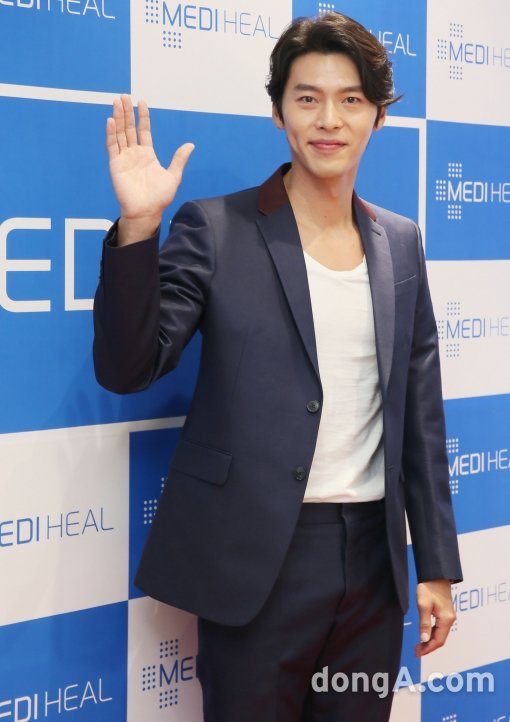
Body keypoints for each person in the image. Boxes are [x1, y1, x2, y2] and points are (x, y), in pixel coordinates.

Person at [93, 11, 462, 722]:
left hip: (374, 567)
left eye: (350, 99)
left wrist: (438, 567)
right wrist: (139, 229)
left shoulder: (401, 243)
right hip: (256, 561)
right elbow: (127, 368)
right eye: (307, 98)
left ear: (378, 116)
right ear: (278, 111)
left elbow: (422, 415)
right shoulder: (216, 228)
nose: (329, 120)